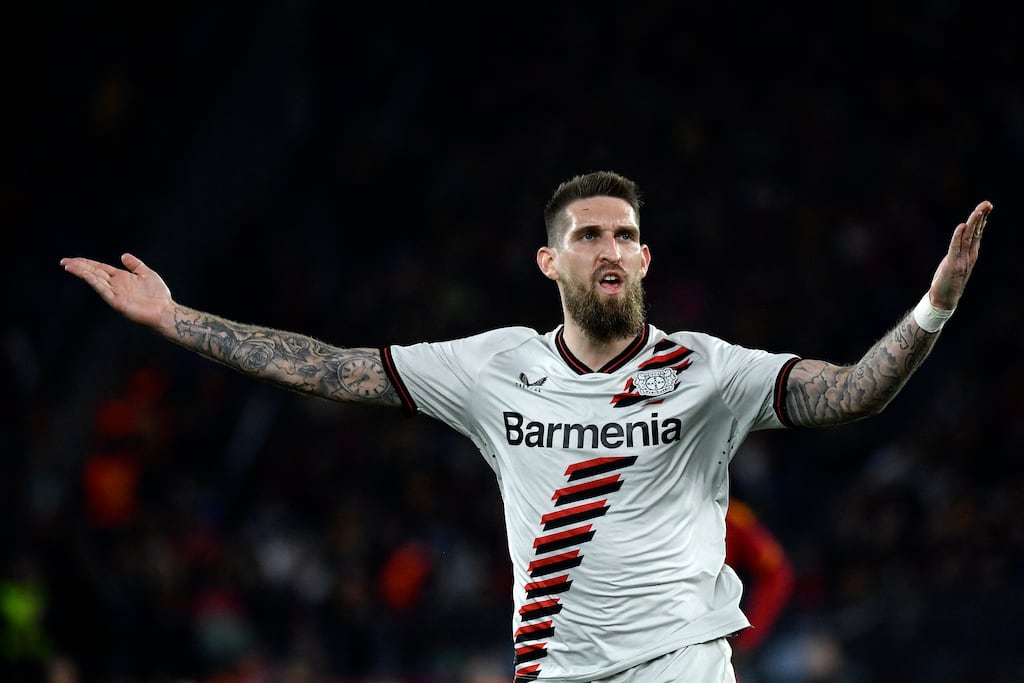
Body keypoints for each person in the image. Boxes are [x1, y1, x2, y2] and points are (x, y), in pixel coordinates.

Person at [59, 171, 992, 682]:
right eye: (588, 234)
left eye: (624, 234)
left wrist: (933, 309)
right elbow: (327, 365)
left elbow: (853, 392)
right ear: (551, 261)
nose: (610, 247)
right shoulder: (493, 366)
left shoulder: (710, 370)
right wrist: (175, 319)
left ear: (645, 256)